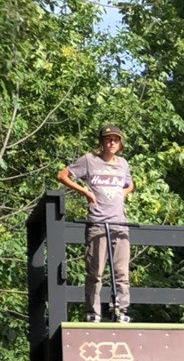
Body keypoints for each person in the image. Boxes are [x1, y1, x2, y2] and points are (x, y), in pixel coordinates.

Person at [57, 125, 135, 322]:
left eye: (115, 139)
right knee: (95, 272)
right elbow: (62, 175)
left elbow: (130, 184)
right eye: (108, 139)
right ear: (102, 141)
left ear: (120, 143)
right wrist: (85, 191)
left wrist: (121, 194)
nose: (112, 143)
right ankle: (93, 312)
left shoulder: (123, 164)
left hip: (120, 224)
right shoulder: (90, 160)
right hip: (98, 223)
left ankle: (121, 311)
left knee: (122, 272)